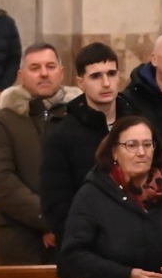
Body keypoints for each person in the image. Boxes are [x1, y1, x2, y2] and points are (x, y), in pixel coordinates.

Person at [57, 117, 162, 278]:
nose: (141, 152)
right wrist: (128, 277)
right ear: (114, 152)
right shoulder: (92, 195)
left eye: (147, 144)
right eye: (131, 145)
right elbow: (73, 256)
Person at [0, 43, 77, 264]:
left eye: (50, 66)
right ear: (21, 75)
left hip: (74, 234)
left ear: (61, 72)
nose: (44, 73)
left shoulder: (79, 116)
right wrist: (48, 218)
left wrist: (68, 221)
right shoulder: (5, 120)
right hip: (20, 235)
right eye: (35, 68)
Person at [41, 42, 128, 243]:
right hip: (88, 243)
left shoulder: (138, 125)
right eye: (96, 76)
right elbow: (56, 203)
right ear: (81, 82)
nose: (106, 83)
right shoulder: (62, 135)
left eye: (111, 74)